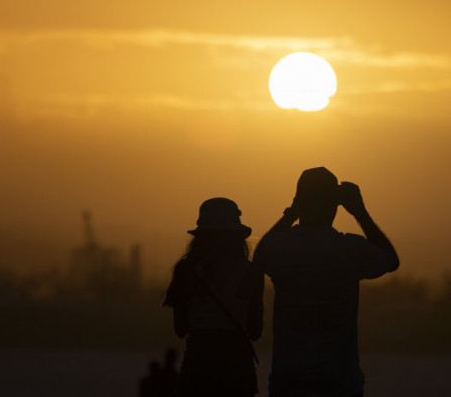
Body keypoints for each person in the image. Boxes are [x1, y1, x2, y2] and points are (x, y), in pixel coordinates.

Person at [253, 167, 400, 397]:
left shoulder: (280, 249)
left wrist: (292, 212)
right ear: (335, 205)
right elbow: (391, 260)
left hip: (288, 381)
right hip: (339, 383)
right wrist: (360, 213)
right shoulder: (350, 249)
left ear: (300, 201)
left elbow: (260, 254)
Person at [163, 198, 264, 397]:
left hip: (197, 368)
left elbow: (180, 328)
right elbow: (255, 331)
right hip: (238, 369)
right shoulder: (251, 272)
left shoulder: (186, 270)